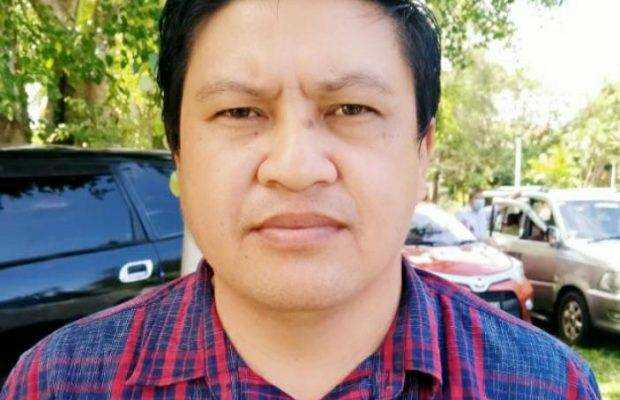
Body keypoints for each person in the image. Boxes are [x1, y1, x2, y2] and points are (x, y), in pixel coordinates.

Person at [1, 1, 600, 399]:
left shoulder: (547, 385)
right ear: (178, 152)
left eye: (351, 109)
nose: (294, 168)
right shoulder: (59, 383)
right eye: (240, 112)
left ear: (423, 150)